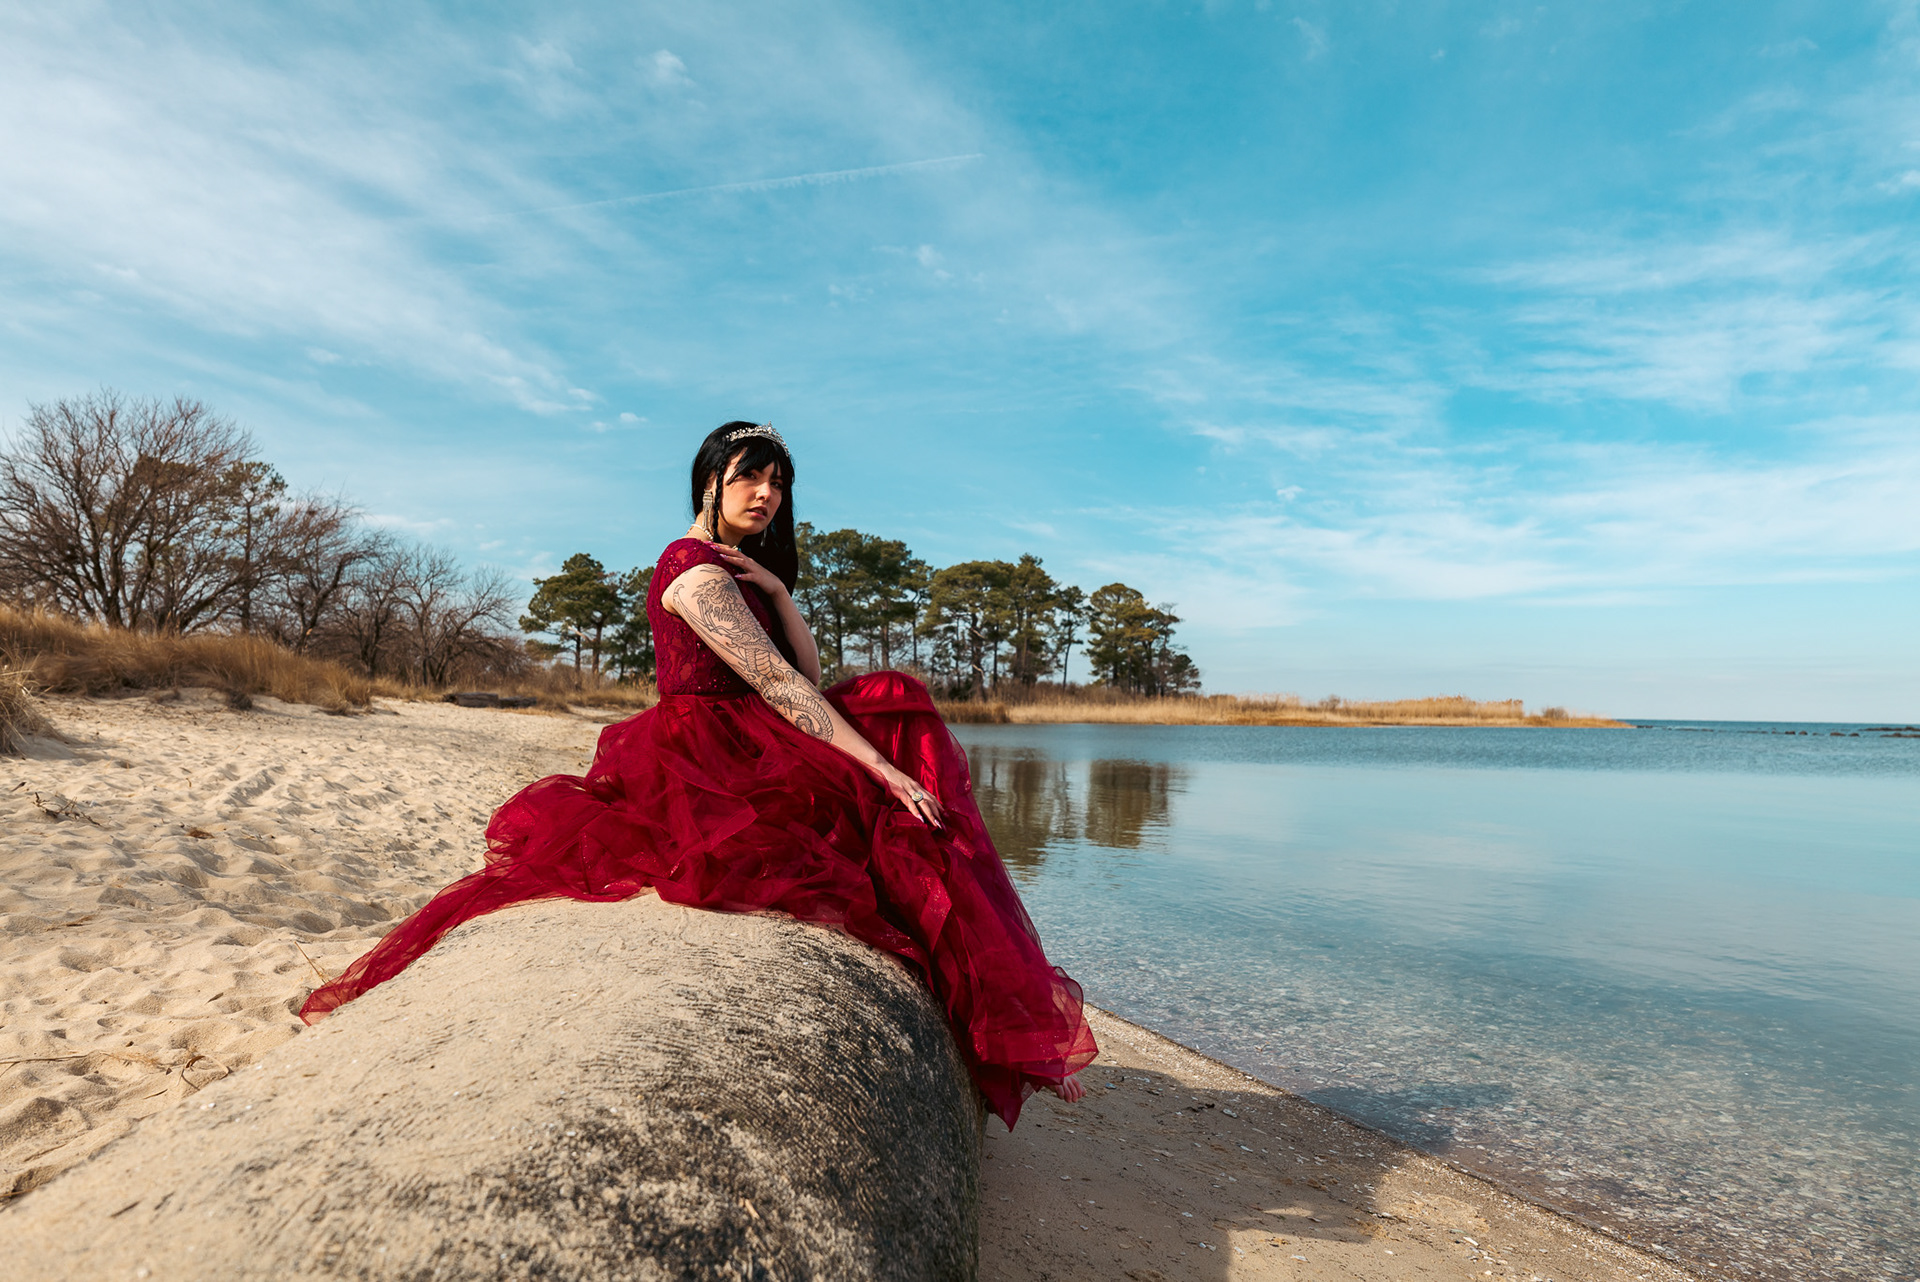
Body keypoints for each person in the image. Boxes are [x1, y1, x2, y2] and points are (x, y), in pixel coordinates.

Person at [301, 421, 1096, 1125]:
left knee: (893, 710)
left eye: (778, 482)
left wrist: (780, 592)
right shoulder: (693, 570)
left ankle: (1000, 1026)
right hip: (711, 750)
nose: (767, 494)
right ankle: (1004, 1029)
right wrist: (883, 770)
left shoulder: (737, 569)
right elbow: (779, 686)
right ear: (710, 480)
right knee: (894, 765)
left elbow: (807, 677)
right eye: (751, 476)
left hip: (753, 731)